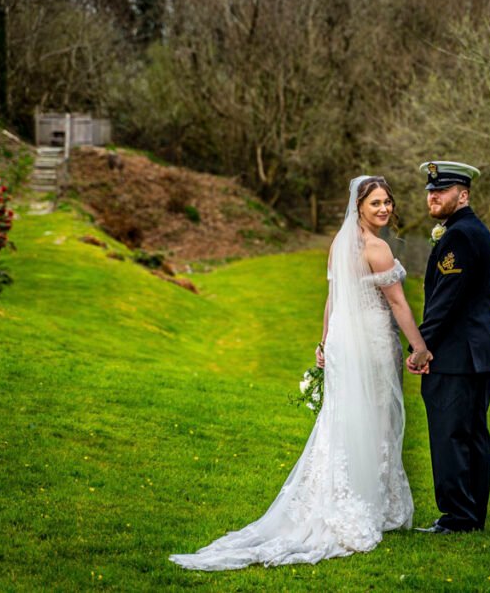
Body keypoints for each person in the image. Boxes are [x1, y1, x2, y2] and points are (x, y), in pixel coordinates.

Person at [170, 175, 432, 570]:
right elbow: (397, 304)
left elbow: (333, 298)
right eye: (376, 203)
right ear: (358, 207)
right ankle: (363, 505)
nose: (384, 209)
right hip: (371, 343)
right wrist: (420, 346)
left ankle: (355, 497)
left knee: (343, 418)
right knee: (375, 418)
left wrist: (325, 342)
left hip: (345, 341)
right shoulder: (376, 249)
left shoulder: (339, 245)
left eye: (387, 202)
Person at [408, 161, 490, 535]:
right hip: (476, 351)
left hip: (455, 354)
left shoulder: (460, 237)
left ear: (462, 194)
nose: (433, 196)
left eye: (441, 191)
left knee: (451, 435)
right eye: (430, 190)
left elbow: (444, 302)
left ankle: (458, 517)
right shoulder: (473, 231)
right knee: (472, 434)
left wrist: (420, 346)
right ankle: (471, 515)